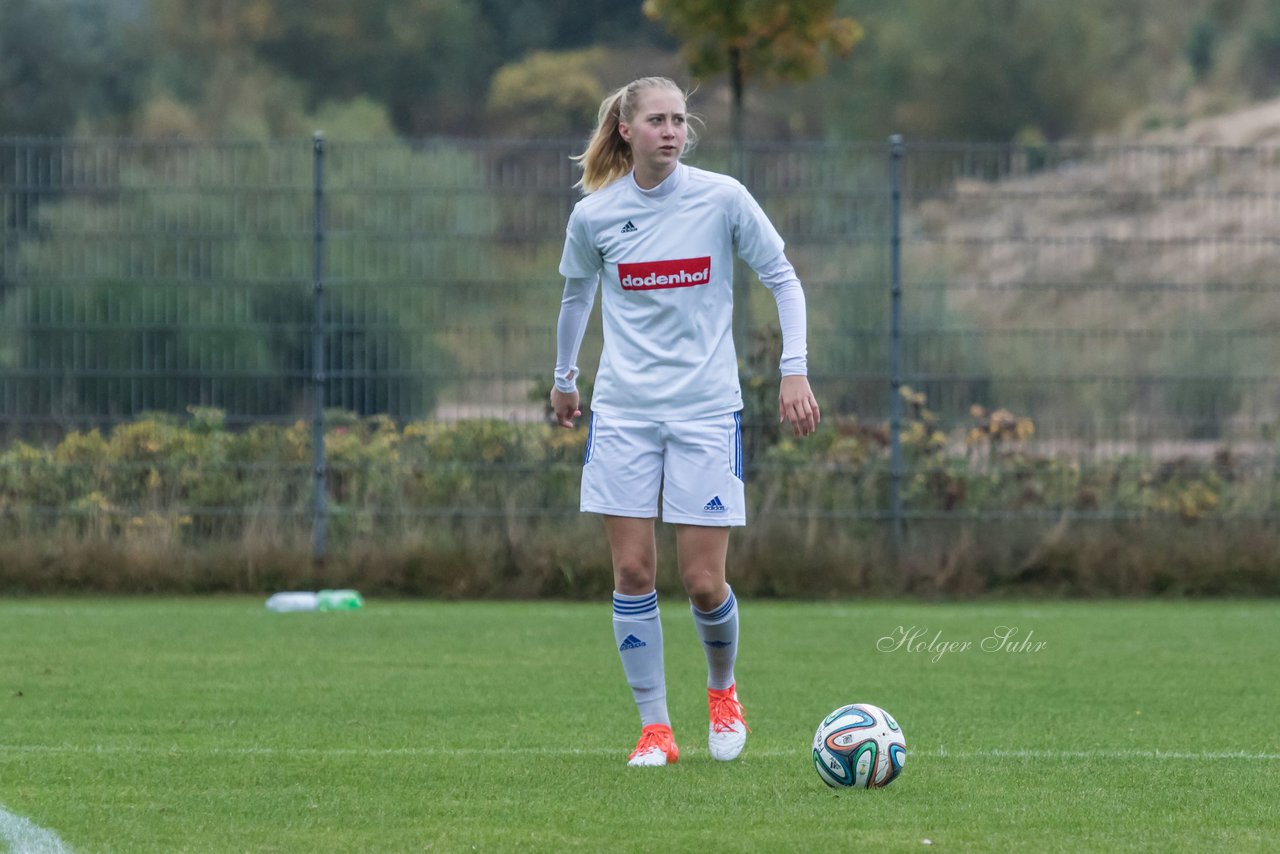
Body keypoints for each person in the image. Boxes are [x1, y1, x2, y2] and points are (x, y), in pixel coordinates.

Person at [550, 76, 819, 767]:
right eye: (658, 121)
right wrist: (564, 379)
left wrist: (795, 369)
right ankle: (655, 730)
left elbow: (783, 278)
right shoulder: (597, 217)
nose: (672, 131)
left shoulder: (722, 198)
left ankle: (723, 692)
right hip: (623, 415)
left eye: (679, 120)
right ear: (626, 131)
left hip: (704, 412)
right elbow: (577, 297)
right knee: (634, 573)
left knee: (702, 582)